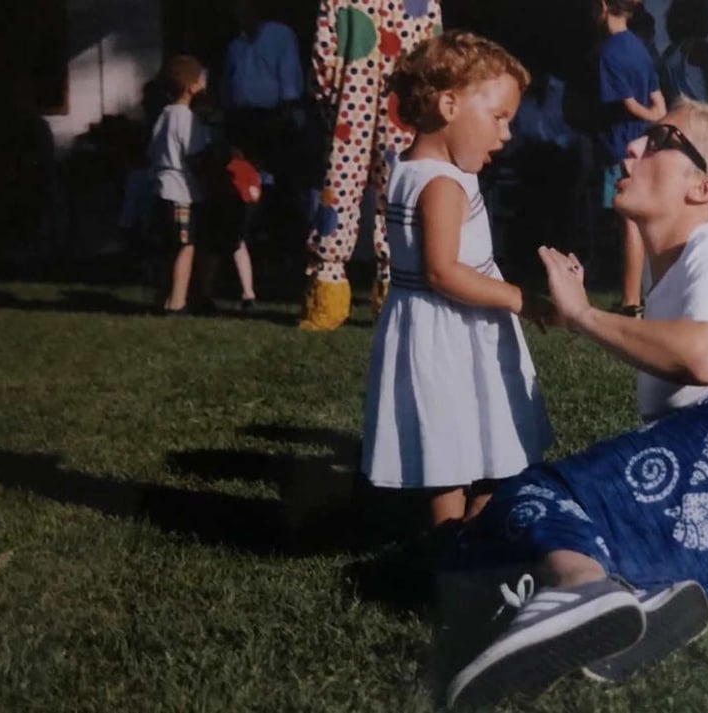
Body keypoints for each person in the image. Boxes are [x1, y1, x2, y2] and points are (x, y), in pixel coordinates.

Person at [439, 99, 708, 708]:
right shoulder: (684, 278)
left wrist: (583, 314)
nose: (632, 149)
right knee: (514, 539)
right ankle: (630, 600)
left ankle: (580, 590)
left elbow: (707, 356)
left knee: (530, 499)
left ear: (703, 189)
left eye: (660, 139)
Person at [360, 31, 555, 536]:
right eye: (498, 117)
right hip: (454, 327)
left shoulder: (409, 166)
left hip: (427, 322)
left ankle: (457, 535)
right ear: (449, 105)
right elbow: (443, 271)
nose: (506, 134)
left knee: (451, 434)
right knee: (472, 430)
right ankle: (458, 544)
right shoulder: (441, 184)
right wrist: (519, 298)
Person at [299, 0, 442, 331]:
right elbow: (435, 53)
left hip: (351, 103)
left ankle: (327, 291)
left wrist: (329, 101)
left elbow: (322, 55)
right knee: (398, 194)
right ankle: (394, 290)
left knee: (339, 191)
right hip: (402, 110)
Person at [221, 0, 306, 310]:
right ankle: (245, 271)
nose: (240, 14)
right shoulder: (236, 45)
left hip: (275, 120)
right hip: (244, 123)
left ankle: (291, 271)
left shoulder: (279, 35)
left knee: (282, 195)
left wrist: (286, 117)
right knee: (244, 193)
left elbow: (289, 80)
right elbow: (231, 88)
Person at [597, 0, 666, 317]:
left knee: (629, 222)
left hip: (620, 146)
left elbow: (625, 103)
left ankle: (630, 301)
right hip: (646, 142)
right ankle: (654, 295)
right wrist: (656, 116)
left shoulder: (609, 52)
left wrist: (647, 113)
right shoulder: (641, 49)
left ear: (601, 6)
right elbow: (657, 99)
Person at [147, 55, 210, 314]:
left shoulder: (163, 115)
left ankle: (161, 299)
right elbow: (195, 154)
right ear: (191, 86)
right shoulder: (186, 118)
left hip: (160, 187)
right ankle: (177, 302)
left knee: (168, 248)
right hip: (180, 190)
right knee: (186, 246)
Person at [662, 0, 708, 103]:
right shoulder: (702, 49)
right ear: (698, 18)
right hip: (702, 113)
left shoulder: (669, 53)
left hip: (678, 112)